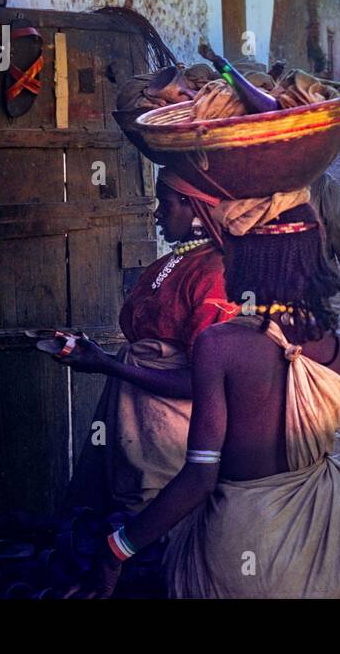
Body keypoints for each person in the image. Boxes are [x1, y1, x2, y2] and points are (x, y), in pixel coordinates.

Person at [72, 202, 340, 598]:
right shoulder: (337, 349)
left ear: (248, 263)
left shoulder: (219, 347)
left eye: (233, 251)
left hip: (234, 554)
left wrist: (115, 550)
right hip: (331, 552)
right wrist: (311, 500)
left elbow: (199, 479)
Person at [56, 171, 234, 514]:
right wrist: (98, 357)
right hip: (137, 423)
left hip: (171, 436)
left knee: (155, 523)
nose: (156, 214)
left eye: (163, 204)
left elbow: (201, 383)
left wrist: (109, 365)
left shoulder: (214, 275)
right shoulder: (171, 264)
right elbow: (150, 357)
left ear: (192, 204)